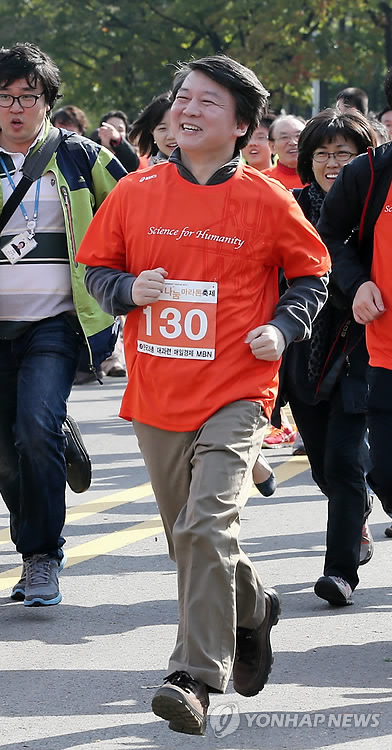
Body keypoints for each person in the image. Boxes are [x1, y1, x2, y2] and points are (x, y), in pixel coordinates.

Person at [77, 54, 330, 735]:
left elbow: (312, 275)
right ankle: (254, 605)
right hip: (158, 393)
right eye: (182, 97)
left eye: (207, 101)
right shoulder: (136, 191)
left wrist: (282, 326)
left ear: (243, 125)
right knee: (190, 542)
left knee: (204, 527)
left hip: (237, 391)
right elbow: (97, 268)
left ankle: (192, 678)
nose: (187, 109)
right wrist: (131, 291)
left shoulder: (267, 200)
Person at [0, 42, 125, 607]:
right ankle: (36, 517)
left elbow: (137, 207)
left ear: (48, 101)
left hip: (57, 323)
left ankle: (41, 555)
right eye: (5, 97)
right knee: (1, 449)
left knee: (33, 426)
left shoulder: (83, 157)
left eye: (28, 97)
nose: (16, 107)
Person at [284, 108, 376, 606]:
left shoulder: (373, 204)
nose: (332, 162)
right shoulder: (291, 205)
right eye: (321, 153)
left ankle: (339, 572)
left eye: (344, 152)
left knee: (344, 461)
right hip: (303, 350)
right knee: (323, 466)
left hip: (361, 346)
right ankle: (357, 511)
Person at [319, 68, 392, 543]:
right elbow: (327, 237)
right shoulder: (368, 173)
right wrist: (358, 282)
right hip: (385, 350)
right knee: (384, 473)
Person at [129, 92, 177, 164]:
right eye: (162, 128)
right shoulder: (149, 173)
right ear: (152, 133)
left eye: (177, 127)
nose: (171, 136)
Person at [264, 114, 306, 189]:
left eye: (298, 136)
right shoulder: (262, 180)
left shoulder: (323, 179)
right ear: (272, 146)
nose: (293, 142)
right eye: (284, 137)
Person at [90, 109, 139, 173]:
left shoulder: (130, 156)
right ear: (100, 132)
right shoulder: (90, 153)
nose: (113, 132)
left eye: (120, 130)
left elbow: (132, 164)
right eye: (110, 128)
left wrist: (118, 140)